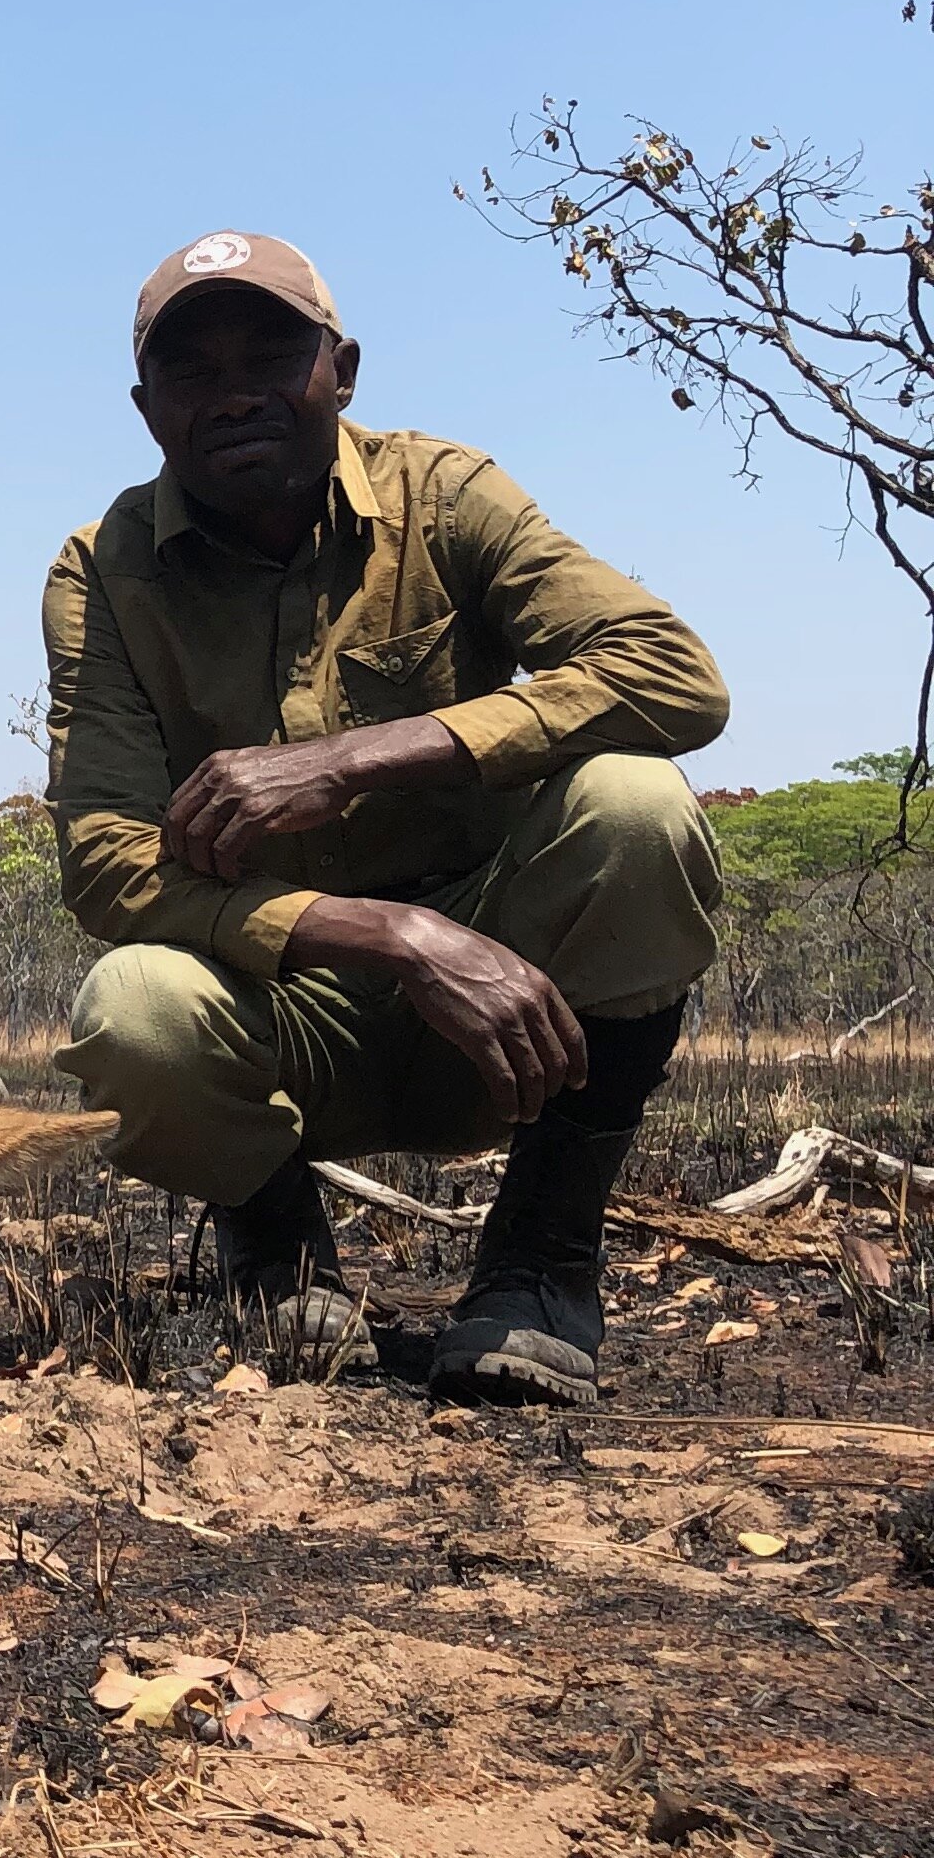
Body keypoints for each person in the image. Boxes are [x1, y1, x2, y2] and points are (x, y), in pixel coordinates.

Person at [42, 230, 728, 1403]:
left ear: (342, 370)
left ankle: (541, 1262)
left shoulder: (445, 495)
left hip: (514, 1022)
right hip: (293, 1014)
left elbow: (675, 676)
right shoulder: (104, 567)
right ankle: (275, 1254)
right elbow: (107, 860)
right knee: (131, 1010)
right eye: (192, 372)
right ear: (148, 409)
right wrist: (398, 938)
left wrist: (354, 760)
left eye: (273, 352)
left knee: (636, 804)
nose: (236, 392)